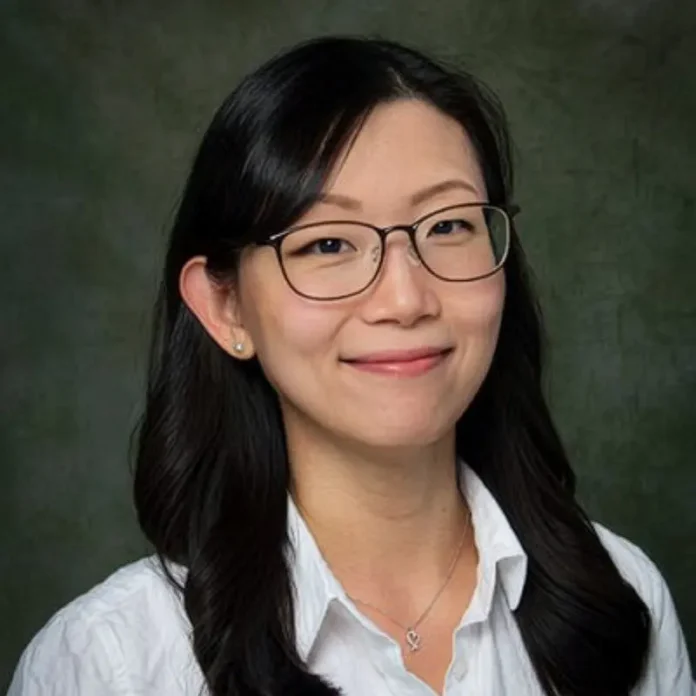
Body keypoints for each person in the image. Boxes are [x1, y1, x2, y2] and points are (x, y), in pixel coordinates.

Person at [7, 35, 694, 696]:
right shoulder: (113, 662)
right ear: (225, 307)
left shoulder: (622, 595)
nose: (406, 299)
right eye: (328, 243)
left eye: (449, 226)